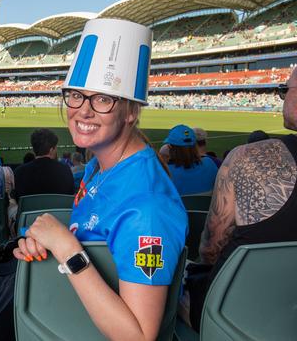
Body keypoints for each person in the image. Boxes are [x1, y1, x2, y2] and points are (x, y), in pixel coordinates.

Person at [13, 18, 187, 341]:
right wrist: (46, 242)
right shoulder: (98, 165)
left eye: (103, 99)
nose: (83, 110)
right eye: (76, 95)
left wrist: (66, 248)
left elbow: (139, 335)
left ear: (131, 111)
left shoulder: (147, 208)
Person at [187, 45, 297, 331]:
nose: (283, 97)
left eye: (286, 89)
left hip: (231, 319)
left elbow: (210, 251)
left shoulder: (250, 159)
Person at [12, 128, 74, 201]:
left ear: (33, 149)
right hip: (58, 212)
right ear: (51, 150)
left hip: (30, 211)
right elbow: (70, 197)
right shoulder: (65, 170)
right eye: (55, 148)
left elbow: (17, 199)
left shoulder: (19, 172)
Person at [164, 125, 219, 195]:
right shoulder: (209, 163)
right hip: (205, 206)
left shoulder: (165, 173)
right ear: (195, 145)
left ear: (170, 147)